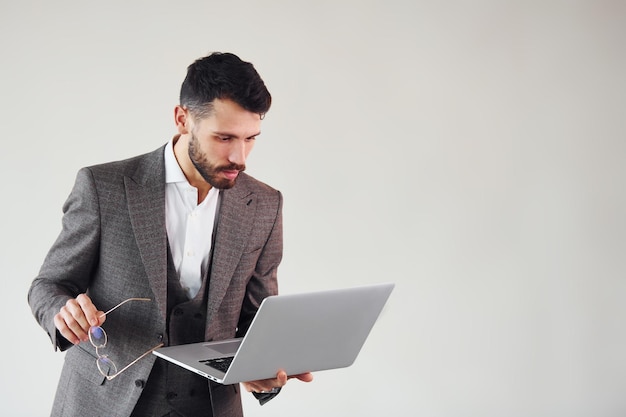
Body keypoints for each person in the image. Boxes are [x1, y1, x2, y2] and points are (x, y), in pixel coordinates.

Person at [28, 52, 313, 417]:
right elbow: (48, 285)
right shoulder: (104, 187)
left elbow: (257, 320)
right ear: (182, 119)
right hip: (106, 401)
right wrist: (62, 312)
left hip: (210, 407)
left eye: (251, 138)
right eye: (224, 138)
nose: (240, 157)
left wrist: (264, 367)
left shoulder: (264, 205)